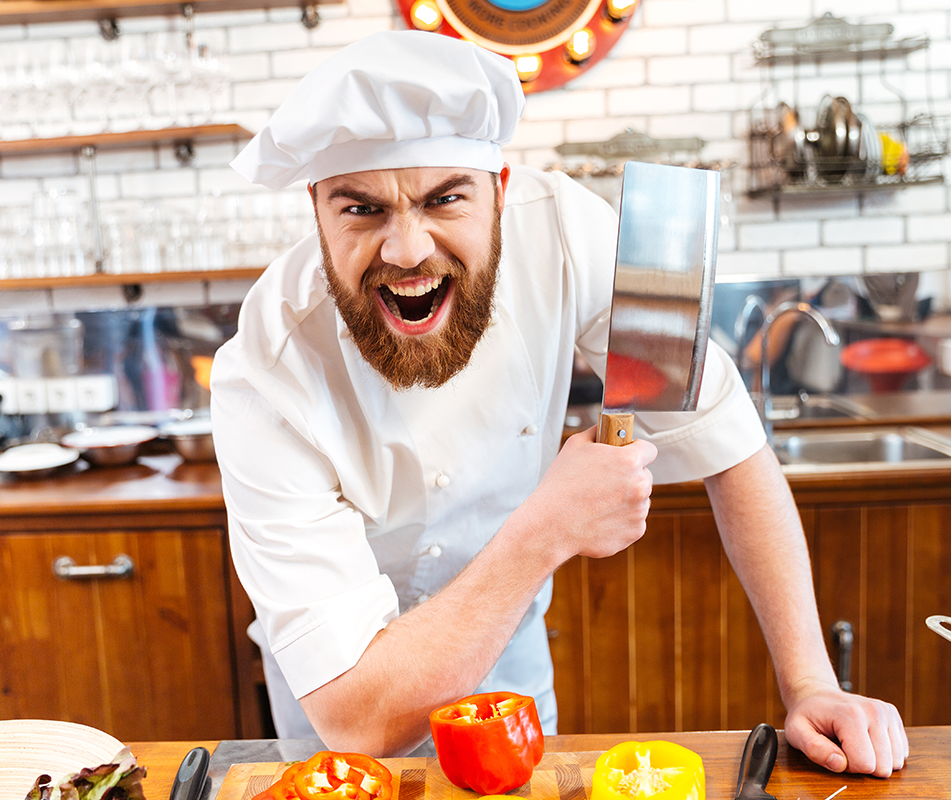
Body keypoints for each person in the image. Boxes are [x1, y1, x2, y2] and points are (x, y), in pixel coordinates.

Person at [210, 29, 908, 773]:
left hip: (510, 688)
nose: (408, 250)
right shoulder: (265, 374)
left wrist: (810, 683)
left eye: (445, 198)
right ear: (316, 211)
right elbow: (362, 717)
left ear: (501, 193)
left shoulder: (573, 233)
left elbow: (727, 439)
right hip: (342, 724)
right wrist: (543, 530)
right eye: (362, 210)